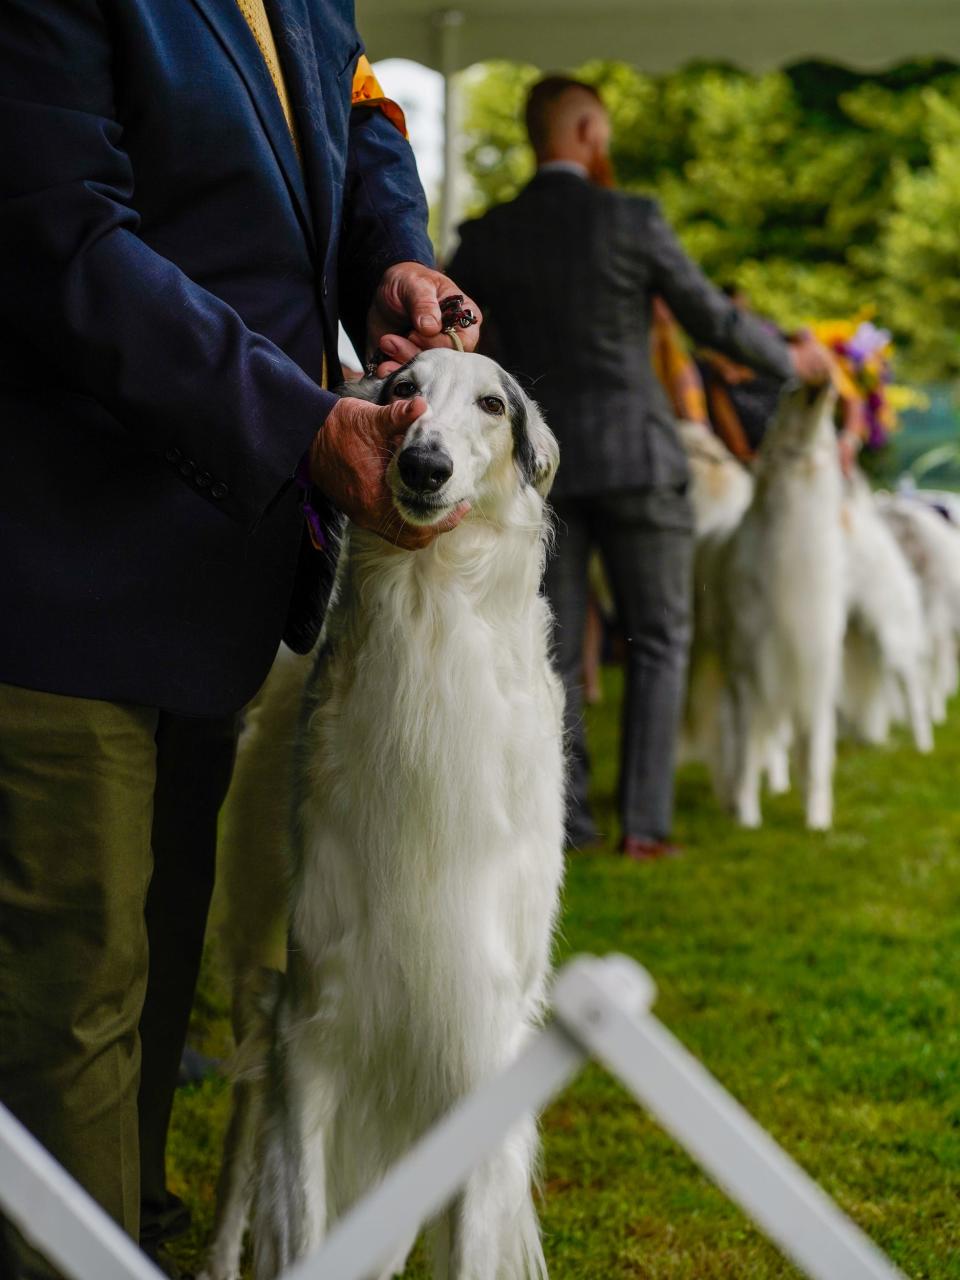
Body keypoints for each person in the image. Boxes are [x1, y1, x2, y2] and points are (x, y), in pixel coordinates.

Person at [0, 3, 479, 1276]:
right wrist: (303, 424)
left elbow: (361, 118)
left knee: (154, 986)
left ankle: (131, 1234)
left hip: (216, 569)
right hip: (54, 560)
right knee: (71, 1009)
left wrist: (396, 258)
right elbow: (59, 236)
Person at [448, 75, 830, 861]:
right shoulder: (632, 219)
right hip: (641, 461)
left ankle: (567, 823)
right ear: (588, 131)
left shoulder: (485, 237)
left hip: (541, 472)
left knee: (549, 647)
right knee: (659, 640)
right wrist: (793, 359)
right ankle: (646, 828)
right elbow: (712, 320)